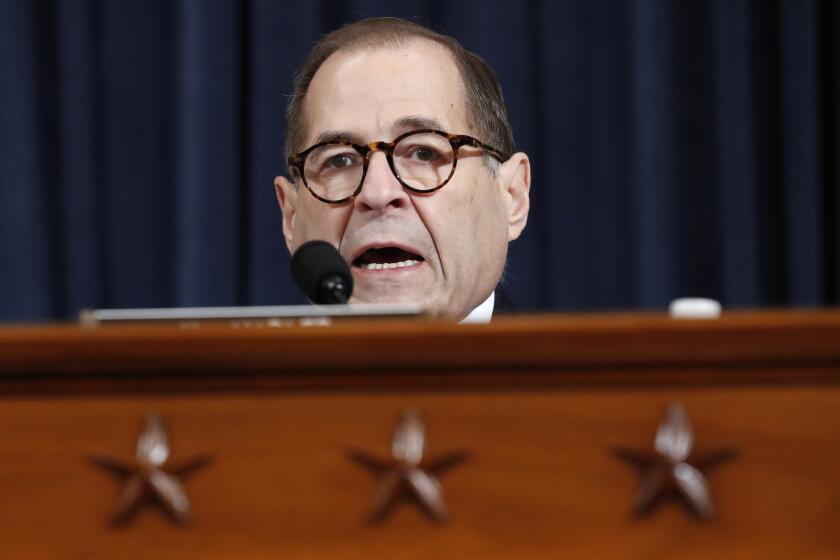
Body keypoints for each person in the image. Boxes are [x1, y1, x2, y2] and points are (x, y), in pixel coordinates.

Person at [274, 17, 530, 322]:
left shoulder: (576, 370)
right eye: (339, 160)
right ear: (290, 216)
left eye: (424, 153)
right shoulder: (237, 369)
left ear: (512, 197)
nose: (378, 193)